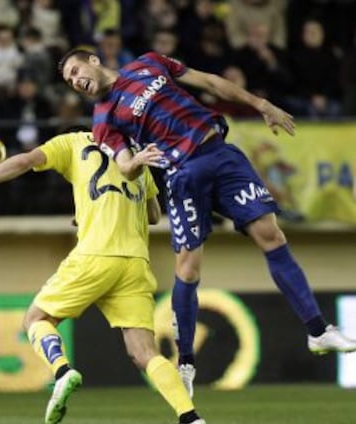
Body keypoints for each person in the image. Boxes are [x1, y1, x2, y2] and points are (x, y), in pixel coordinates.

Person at [58, 49, 356, 399]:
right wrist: (137, 159)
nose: (76, 81)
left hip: (220, 153)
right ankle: (185, 365)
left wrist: (261, 105)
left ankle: (318, 331)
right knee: (188, 268)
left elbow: (211, 82)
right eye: (70, 81)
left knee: (271, 235)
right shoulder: (103, 119)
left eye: (76, 71)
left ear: (93, 60)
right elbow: (124, 165)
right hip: (183, 174)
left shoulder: (150, 62)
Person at [0, 129, 207, 424]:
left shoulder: (73, 142)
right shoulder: (133, 153)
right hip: (135, 261)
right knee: (143, 352)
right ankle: (189, 418)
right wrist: (94, 211)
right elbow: (152, 215)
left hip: (96, 254)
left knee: (36, 319)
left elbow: (25, 161)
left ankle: (62, 370)